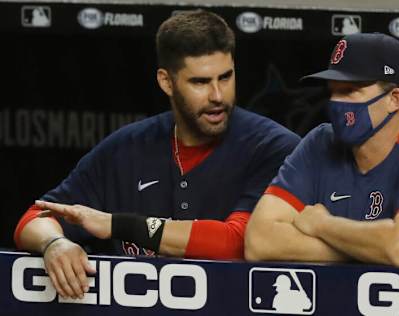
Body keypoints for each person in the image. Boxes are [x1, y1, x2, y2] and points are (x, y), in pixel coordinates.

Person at [14, 10, 300, 299]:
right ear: (166, 81)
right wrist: (54, 244)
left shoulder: (274, 149)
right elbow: (35, 217)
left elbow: (239, 243)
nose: (217, 95)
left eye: (225, 77)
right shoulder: (124, 149)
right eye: (200, 82)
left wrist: (115, 225)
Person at [245, 32, 399, 268]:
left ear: (394, 99)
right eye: (333, 91)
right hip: (346, 303)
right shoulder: (320, 143)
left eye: (349, 91)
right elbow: (258, 241)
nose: (336, 102)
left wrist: (322, 225)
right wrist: (368, 250)